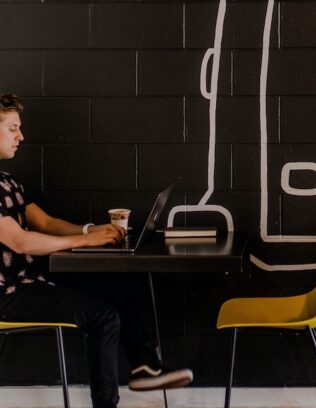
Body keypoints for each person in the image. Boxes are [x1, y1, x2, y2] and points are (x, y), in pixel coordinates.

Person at [0, 94, 192, 408]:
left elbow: (46, 223)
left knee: (113, 284)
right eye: (13, 128)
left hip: (28, 283)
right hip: (7, 294)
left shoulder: (9, 182)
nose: (21, 136)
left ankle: (144, 367)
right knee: (103, 317)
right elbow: (20, 241)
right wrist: (85, 242)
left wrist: (92, 230)